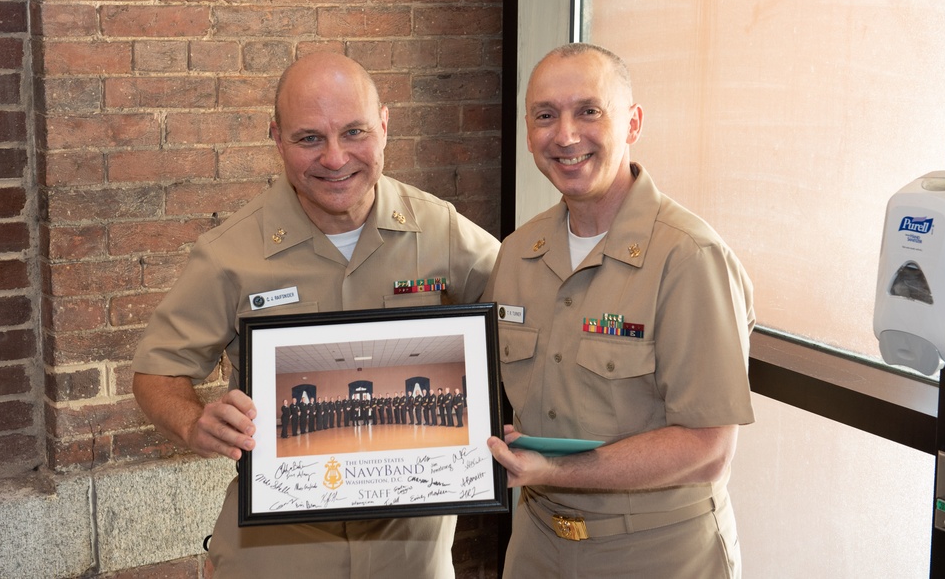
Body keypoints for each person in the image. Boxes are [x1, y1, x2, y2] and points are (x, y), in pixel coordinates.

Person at [132, 52, 500, 579]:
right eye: (309, 138)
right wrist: (195, 423)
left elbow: (525, 316)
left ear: (384, 126)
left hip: (410, 555)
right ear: (276, 138)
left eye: (354, 132)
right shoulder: (229, 253)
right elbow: (157, 371)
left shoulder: (442, 232)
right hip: (277, 555)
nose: (335, 157)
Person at [482, 43, 755, 578]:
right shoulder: (517, 254)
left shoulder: (689, 257)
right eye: (545, 116)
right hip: (537, 546)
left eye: (589, 111)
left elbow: (708, 449)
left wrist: (554, 469)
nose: (565, 135)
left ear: (632, 123)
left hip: (658, 554)